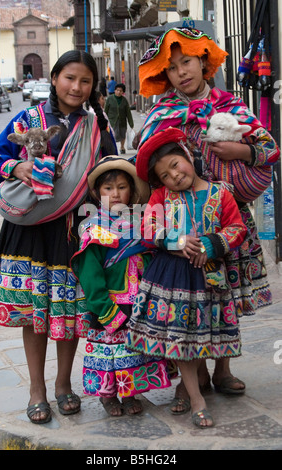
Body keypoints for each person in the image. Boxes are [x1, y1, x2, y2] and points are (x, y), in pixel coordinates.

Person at [135, 27, 280, 402]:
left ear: (204, 61)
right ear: (165, 76)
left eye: (188, 62)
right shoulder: (162, 112)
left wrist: (242, 153)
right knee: (192, 294)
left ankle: (223, 369)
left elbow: (269, 147)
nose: (182, 72)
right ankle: (193, 375)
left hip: (227, 215)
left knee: (225, 292)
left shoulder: (231, 104)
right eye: (173, 68)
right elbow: (146, 159)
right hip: (183, 218)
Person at [0, 50, 117, 425]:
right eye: (69, 78)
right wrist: (18, 166)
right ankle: (36, 390)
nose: (76, 87)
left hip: (74, 231)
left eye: (85, 81)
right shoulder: (29, 119)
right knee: (33, 313)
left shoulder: (97, 127)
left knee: (69, 310)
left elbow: (111, 173)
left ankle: (63, 385)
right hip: (29, 232)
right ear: (55, 78)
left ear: (93, 86)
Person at [126, 128, 247, 427]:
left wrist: (210, 244)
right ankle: (195, 397)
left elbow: (236, 227)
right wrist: (178, 242)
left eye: (176, 165)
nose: (175, 176)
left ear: (188, 156)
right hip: (175, 279)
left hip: (211, 279)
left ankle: (213, 376)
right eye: (165, 175)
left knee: (209, 332)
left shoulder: (221, 193)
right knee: (182, 339)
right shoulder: (160, 197)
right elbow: (148, 228)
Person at [70, 156, 171, 416]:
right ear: (96, 192)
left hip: (137, 300)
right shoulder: (93, 228)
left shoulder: (139, 224)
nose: (115, 194)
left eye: (122, 187)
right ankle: (108, 396)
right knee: (108, 352)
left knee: (132, 350)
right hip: (109, 303)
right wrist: (104, 308)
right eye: (108, 188)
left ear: (132, 190)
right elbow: (90, 273)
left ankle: (130, 392)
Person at [105, 83, 134, 154]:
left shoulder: (124, 101)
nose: (118, 92)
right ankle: (112, 147)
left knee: (122, 134)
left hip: (122, 120)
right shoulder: (109, 99)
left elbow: (128, 112)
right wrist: (104, 120)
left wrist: (131, 123)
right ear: (114, 91)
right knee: (113, 134)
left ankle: (122, 147)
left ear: (123, 92)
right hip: (112, 121)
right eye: (117, 90)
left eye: (120, 91)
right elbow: (105, 110)